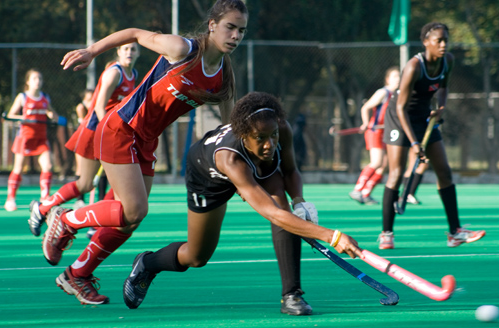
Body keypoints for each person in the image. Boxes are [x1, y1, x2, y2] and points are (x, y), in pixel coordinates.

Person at [39, 0, 252, 306]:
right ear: (212, 25)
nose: (235, 36)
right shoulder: (183, 50)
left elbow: (230, 129)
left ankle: (77, 274)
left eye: (241, 31)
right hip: (121, 128)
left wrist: (242, 173)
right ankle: (67, 219)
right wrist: (92, 51)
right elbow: (136, 33)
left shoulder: (222, 77)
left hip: (146, 141)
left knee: (129, 221)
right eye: (230, 27)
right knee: (135, 210)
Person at [121, 91, 364, 314]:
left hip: (256, 168)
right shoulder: (230, 159)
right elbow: (273, 214)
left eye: (273, 136)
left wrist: (299, 201)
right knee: (197, 257)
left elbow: (290, 171)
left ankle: (292, 295)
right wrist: (331, 236)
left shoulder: (280, 129)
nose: (269, 144)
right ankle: (148, 263)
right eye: (260, 138)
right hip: (207, 177)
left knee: (281, 200)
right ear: (244, 136)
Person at [379, 22, 485, 250]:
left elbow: (443, 87)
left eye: (446, 40)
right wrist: (415, 143)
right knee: (396, 174)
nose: (444, 44)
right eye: (439, 40)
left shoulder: (448, 61)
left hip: (425, 117)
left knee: (444, 171)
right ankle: (386, 233)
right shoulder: (414, 67)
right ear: (426, 42)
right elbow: (400, 108)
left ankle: (455, 232)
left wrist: (442, 108)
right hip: (400, 117)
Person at [28, 43, 140, 237]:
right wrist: (113, 132)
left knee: (110, 183)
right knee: (86, 184)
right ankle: (44, 209)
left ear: (138, 52)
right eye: (126, 49)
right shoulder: (115, 73)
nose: (129, 52)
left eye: (133, 49)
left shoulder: (134, 75)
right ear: (118, 52)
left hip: (110, 132)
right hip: (96, 130)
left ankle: (91, 223)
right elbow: (99, 107)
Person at [3, 69, 61, 212]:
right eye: (35, 78)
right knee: (18, 169)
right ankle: (10, 199)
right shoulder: (22, 97)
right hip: (25, 137)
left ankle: (45, 197)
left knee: (47, 166)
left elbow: (53, 114)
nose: (38, 81)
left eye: (40, 78)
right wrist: (22, 118)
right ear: (28, 82)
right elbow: (11, 114)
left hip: (41, 138)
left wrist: (52, 115)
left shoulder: (45, 98)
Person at [349, 66, 400, 205]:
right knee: (376, 162)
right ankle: (357, 189)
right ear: (388, 79)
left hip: (387, 132)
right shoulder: (383, 92)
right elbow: (365, 107)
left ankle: (366, 194)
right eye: (395, 76)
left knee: (383, 166)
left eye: (399, 76)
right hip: (375, 131)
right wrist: (366, 123)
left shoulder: (398, 94)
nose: (398, 79)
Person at [72, 88, 94, 210]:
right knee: (80, 169)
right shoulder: (81, 109)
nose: (91, 103)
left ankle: (102, 198)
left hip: (95, 140)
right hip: (82, 139)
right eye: (88, 100)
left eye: (93, 99)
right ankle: (79, 200)